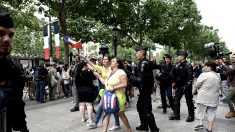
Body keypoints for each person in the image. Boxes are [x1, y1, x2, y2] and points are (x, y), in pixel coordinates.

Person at [0, 10, 29, 132]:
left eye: (11, 35)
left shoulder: (12, 66)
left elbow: (17, 104)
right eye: (0, 33)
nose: (7, 39)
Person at [81, 55, 121, 131]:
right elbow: (93, 65)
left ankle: (116, 124)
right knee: (104, 107)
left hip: (113, 90)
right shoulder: (103, 68)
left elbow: (107, 81)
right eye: (103, 59)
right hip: (107, 90)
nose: (104, 61)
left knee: (113, 108)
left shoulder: (112, 69)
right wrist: (85, 58)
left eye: (106, 59)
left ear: (110, 61)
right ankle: (96, 123)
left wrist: (99, 76)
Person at [93, 57, 132, 132]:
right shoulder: (111, 72)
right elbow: (105, 83)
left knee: (121, 114)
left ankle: (129, 129)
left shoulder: (121, 72)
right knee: (106, 114)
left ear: (117, 64)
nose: (111, 62)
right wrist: (98, 76)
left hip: (118, 97)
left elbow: (124, 84)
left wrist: (114, 87)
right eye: (111, 61)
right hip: (109, 97)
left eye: (113, 61)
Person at [129, 46, 159, 132]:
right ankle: (144, 125)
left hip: (145, 90)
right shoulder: (144, 62)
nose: (136, 54)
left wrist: (130, 77)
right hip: (144, 90)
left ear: (142, 53)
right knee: (140, 107)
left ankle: (154, 129)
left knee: (146, 110)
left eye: (137, 52)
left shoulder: (143, 63)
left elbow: (141, 80)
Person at [193, 61, 221, 132]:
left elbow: (197, 85)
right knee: (211, 113)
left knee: (199, 111)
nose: (204, 67)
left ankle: (200, 123)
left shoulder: (204, 75)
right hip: (214, 99)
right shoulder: (218, 75)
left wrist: (195, 83)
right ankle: (209, 128)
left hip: (203, 98)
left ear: (209, 67)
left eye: (205, 66)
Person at [170, 51, 195, 122]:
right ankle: (176, 114)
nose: (177, 57)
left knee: (189, 101)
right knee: (176, 100)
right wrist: (174, 81)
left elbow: (190, 78)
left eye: (178, 56)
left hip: (186, 86)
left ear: (183, 57)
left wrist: (186, 86)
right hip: (179, 85)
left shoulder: (188, 65)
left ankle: (191, 116)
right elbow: (175, 75)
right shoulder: (178, 65)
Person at [75, 61, 97, 125]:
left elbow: (76, 84)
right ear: (85, 66)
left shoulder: (77, 73)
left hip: (80, 90)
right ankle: (90, 119)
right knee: (89, 104)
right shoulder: (89, 72)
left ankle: (82, 118)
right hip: (89, 89)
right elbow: (95, 78)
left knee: (81, 104)